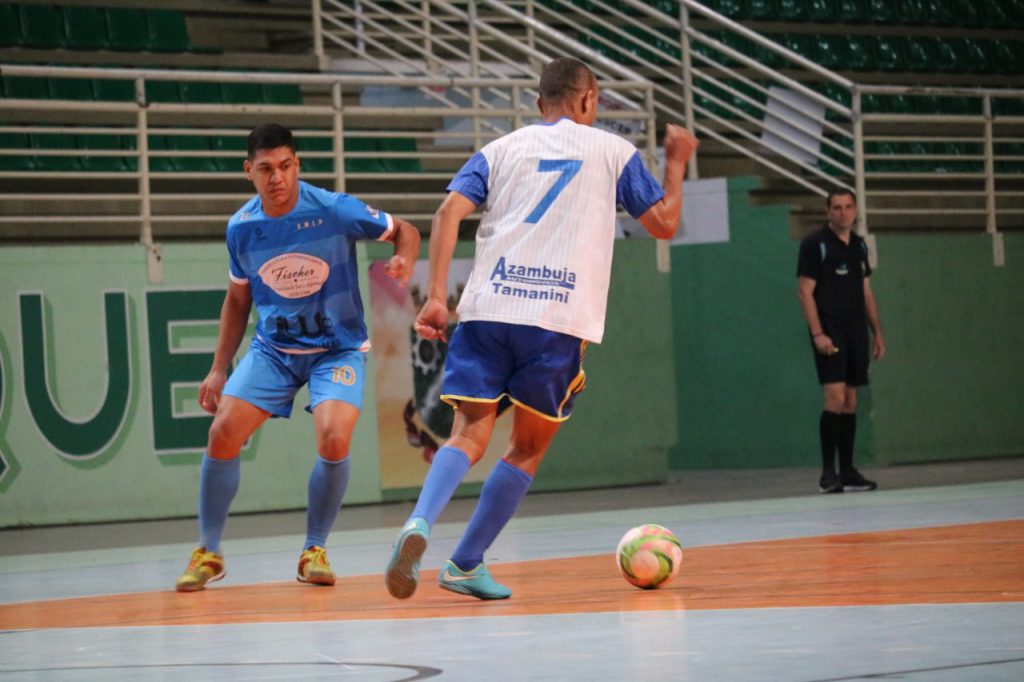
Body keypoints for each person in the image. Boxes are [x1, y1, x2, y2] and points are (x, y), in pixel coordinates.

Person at [384, 57, 699, 601]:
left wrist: (436, 297)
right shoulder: (613, 152)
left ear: (539, 104)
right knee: (525, 448)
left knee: (468, 433)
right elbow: (664, 224)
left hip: (487, 308)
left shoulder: (501, 150)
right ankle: (464, 563)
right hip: (556, 319)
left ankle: (419, 521)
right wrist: (675, 163)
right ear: (588, 102)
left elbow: (445, 214)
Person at [175, 123, 419, 592]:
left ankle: (314, 550)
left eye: (285, 166)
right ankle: (209, 551)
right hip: (275, 351)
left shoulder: (332, 209)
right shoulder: (242, 227)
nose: (277, 178)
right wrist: (218, 368)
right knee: (222, 430)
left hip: (338, 349)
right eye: (265, 169)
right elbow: (237, 302)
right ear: (249, 172)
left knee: (332, 436)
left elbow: (405, 230)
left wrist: (404, 260)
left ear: (297, 165)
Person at [797, 189, 885, 495]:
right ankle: (827, 473)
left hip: (856, 332)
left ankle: (848, 471)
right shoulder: (814, 245)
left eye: (848, 207)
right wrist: (818, 334)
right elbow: (805, 292)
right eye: (837, 207)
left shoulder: (859, 245)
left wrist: (877, 332)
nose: (843, 213)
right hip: (830, 332)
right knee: (834, 399)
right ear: (827, 211)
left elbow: (866, 291)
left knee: (850, 401)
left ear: (856, 210)